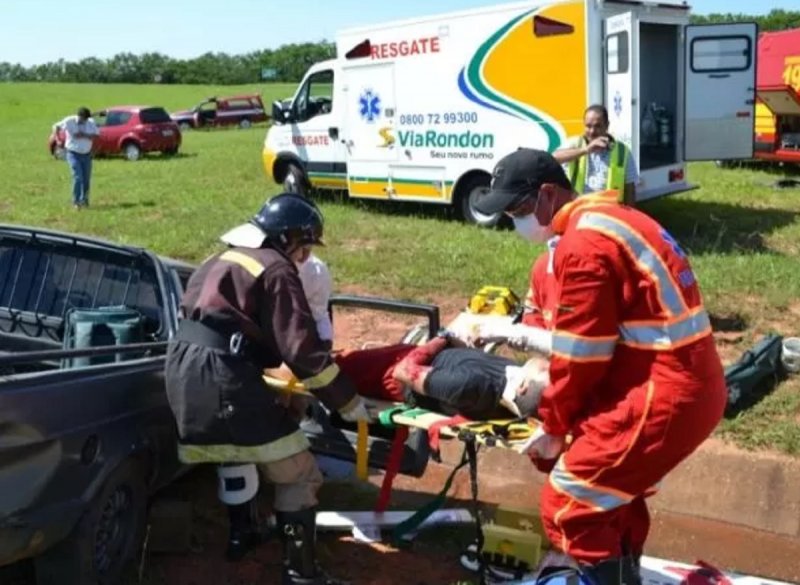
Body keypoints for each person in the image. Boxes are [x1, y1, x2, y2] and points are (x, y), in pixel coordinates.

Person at [473, 148, 727, 585]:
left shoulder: (583, 244)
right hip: (679, 383)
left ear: (548, 194)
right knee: (612, 498)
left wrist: (553, 427)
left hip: (660, 390)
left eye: (517, 209)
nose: (515, 220)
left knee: (570, 505)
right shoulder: (613, 220)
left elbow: (581, 358)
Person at [164, 192, 370, 585]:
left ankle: (242, 534)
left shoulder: (218, 258)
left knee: (235, 449)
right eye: (305, 248)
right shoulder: (275, 267)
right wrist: (347, 401)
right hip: (223, 377)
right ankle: (300, 573)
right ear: (288, 238)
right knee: (300, 474)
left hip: (183, 373)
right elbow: (301, 349)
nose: (305, 258)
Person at [553, 104, 638, 206]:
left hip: (609, 213)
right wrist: (586, 150)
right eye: (588, 126)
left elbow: (630, 191)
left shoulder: (622, 152)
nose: (592, 131)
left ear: (607, 125)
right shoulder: (575, 144)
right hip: (579, 210)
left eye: (597, 126)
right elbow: (553, 158)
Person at [52, 107, 99, 209]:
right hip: (73, 154)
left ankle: (85, 201)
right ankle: (76, 202)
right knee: (78, 178)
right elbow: (56, 126)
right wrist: (58, 139)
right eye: (84, 119)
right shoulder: (69, 121)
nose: (85, 121)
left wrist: (84, 135)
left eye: (87, 119)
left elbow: (96, 135)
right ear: (79, 116)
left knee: (86, 179)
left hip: (86, 155)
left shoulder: (90, 122)